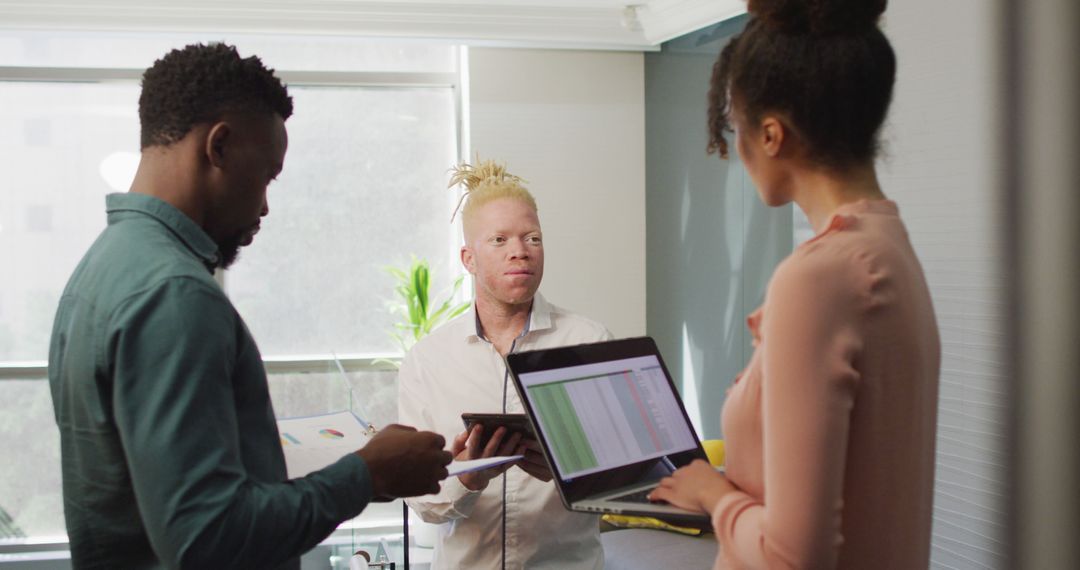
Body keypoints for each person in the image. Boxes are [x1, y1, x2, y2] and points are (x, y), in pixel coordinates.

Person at [47, 43, 452, 570]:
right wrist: (367, 474)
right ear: (218, 146)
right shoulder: (174, 293)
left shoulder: (101, 269)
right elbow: (206, 539)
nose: (264, 205)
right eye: (266, 175)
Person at [647, 1, 941, 568]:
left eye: (734, 127)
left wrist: (712, 494)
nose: (735, 149)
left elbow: (791, 557)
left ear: (771, 134)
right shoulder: (888, 246)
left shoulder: (817, 278)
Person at [398, 160, 610, 569]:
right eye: (499, 239)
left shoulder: (590, 344)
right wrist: (466, 479)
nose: (520, 251)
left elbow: (625, 479)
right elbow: (422, 502)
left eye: (533, 238)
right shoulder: (427, 361)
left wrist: (567, 472)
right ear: (469, 259)